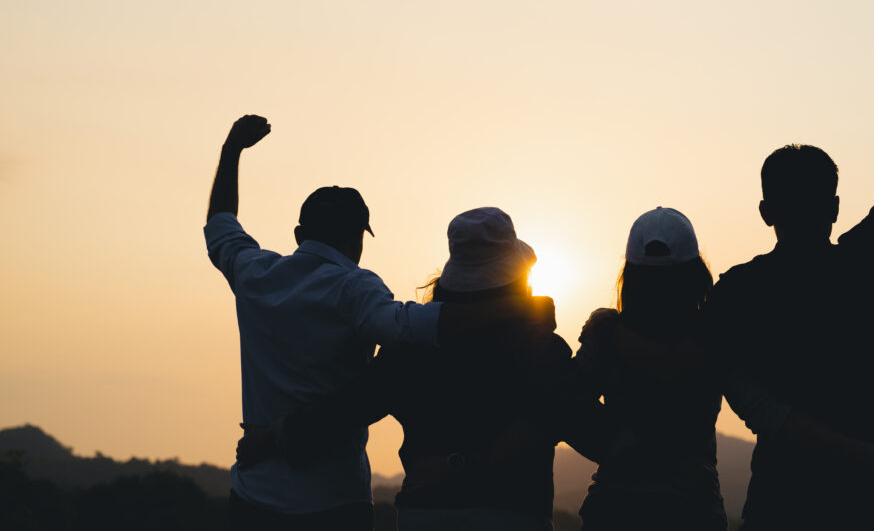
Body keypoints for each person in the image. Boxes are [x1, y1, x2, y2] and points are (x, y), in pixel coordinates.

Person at [205, 118, 554, 530]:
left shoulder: (253, 273)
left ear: (299, 233)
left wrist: (232, 149)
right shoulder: (356, 288)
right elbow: (407, 327)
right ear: (358, 238)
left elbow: (220, 223)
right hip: (334, 501)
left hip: (253, 495)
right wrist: (519, 310)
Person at [237, 206, 613, 531]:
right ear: (518, 277)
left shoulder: (413, 349)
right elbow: (588, 430)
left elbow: (347, 407)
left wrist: (272, 438)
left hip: (425, 514)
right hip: (513, 514)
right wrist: (599, 352)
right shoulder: (540, 348)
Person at [705, 38, 874, 530]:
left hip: (784, 503)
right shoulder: (865, 264)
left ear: (766, 213)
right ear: (835, 209)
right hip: (871, 504)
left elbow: (732, 387)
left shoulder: (737, 291)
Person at [574, 207, 728, 531]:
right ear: (695, 273)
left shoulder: (606, 336)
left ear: (630, 276)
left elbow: (566, 405)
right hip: (695, 509)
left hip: (615, 507)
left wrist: (617, 447)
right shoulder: (717, 331)